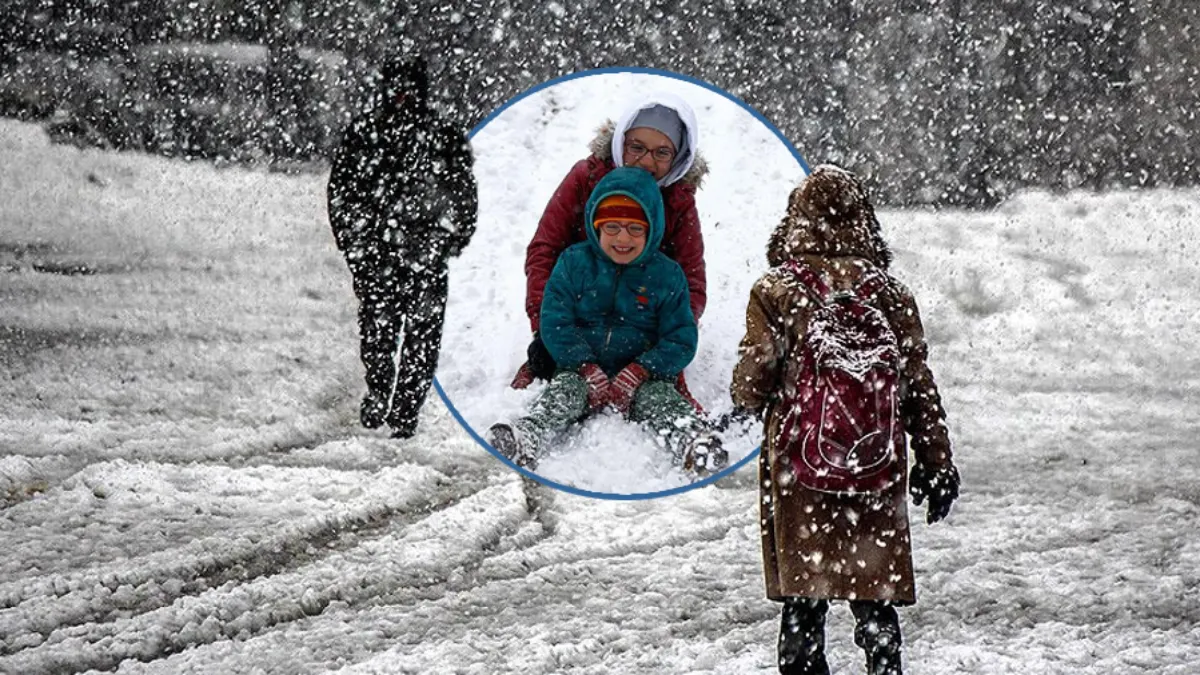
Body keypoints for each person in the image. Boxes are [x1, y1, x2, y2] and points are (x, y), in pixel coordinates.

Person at [730, 165, 960, 675]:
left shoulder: (776, 291)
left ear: (795, 221)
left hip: (801, 463)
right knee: (872, 589)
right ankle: (883, 664)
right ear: (865, 222)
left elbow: (756, 375)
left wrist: (745, 398)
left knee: (804, 599)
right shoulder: (890, 294)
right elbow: (917, 383)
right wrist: (936, 460)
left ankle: (805, 665)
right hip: (875, 462)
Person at [488, 167, 727, 474]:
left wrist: (643, 370)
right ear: (595, 226)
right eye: (612, 227)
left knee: (662, 401)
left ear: (652, 229)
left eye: (635, 229)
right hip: (581, 371)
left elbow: (680, 337)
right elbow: (555, 321)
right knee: (563, 393)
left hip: (644, 377)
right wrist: (583, 365)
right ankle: (527, 436)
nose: (623, 238)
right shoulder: (574, 263)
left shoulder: (667, 275)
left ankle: (693, 442)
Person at [511, 94, 708, 412]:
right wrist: (545, 329)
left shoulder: (678, 199)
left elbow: (691, 280)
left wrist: (666, 352)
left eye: (662, 153)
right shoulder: (586, 178)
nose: (646, 161)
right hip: (582, 303)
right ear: (621, 141)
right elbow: (544, 250)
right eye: (637, 147)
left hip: (642, 313)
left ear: (678, 157)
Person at [326, 55, 478, 438]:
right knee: (378, 331)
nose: (403, 97)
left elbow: (463, 196)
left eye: (410, 89)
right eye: (397, 88)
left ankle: (406, 412)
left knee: (422, 340)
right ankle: (379, 392)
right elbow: (341, 194)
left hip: (425, 255)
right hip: (376, 255)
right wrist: (354, 244)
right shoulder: (364, 135)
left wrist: (449, 240)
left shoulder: (442, 137)